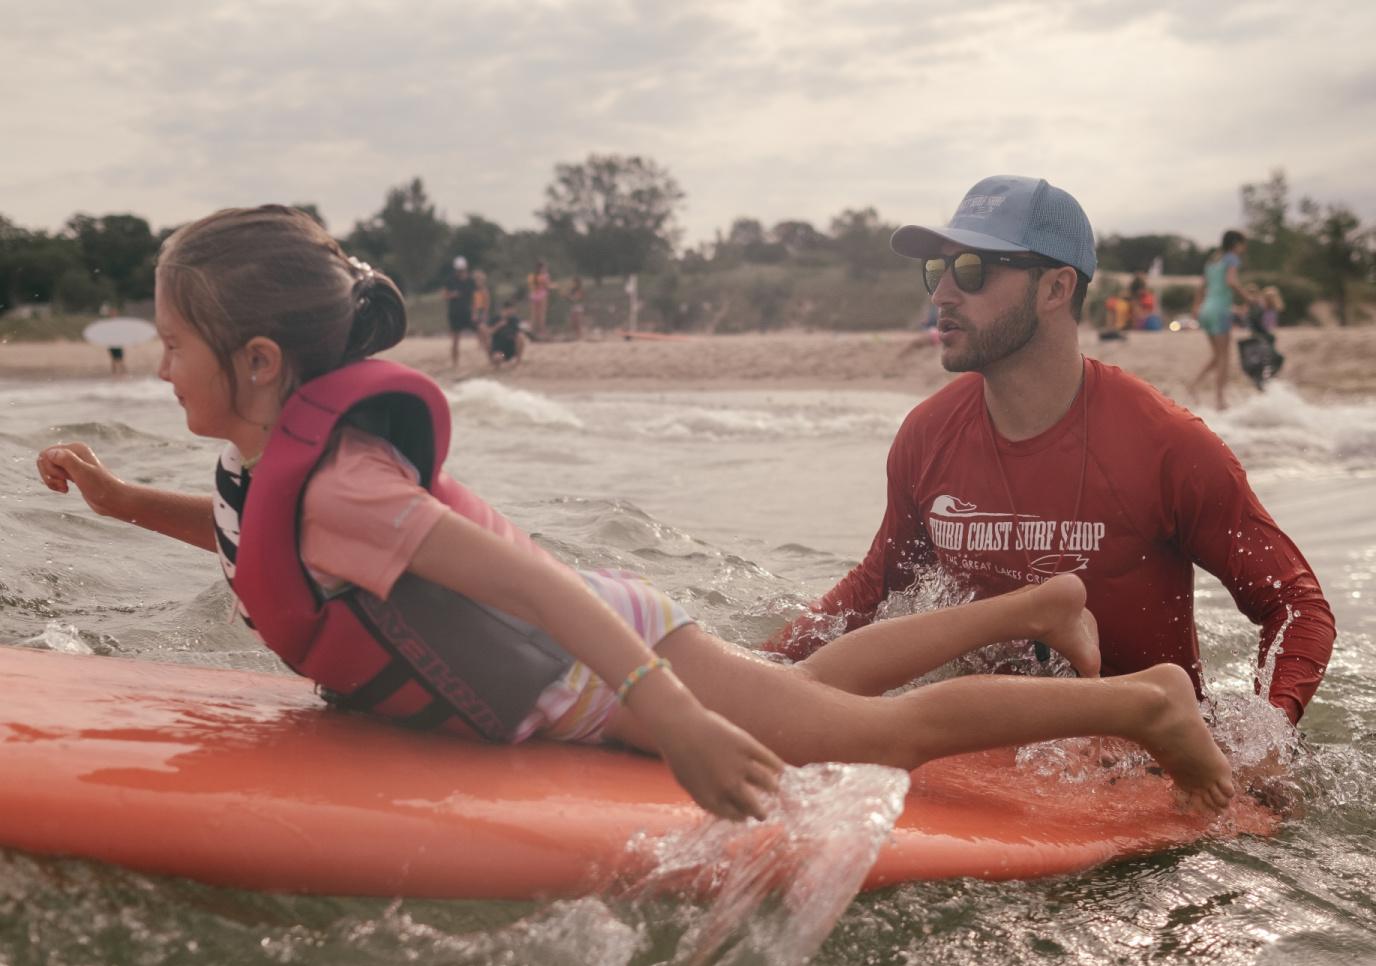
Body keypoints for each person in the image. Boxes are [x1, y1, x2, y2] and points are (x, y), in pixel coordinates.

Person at [35, 205, 1239, 821]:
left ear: (255, 362)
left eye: (171, 344)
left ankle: (1140, 705)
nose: (156, 367)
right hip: (614, 654)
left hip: (603, 665)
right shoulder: (279, 468)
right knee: (813, 690)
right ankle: (1038, 601)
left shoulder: (347, 490)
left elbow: (536, 593)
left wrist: (673, 725)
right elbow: (251, 545)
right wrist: (120, 500)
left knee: (867, 740)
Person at [766, 176, 1334, 732]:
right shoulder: (927, 434)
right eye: (936, 270)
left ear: (1056, 288)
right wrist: (758, 671)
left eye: (972, 270)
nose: (941, 293)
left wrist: (1266, 738)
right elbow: (874, 589)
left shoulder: (1168, 446)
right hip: (986, 743)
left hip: (1131, 762)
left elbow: (1297, 605)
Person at [1188, 230, 1249, 409]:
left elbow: (1201, 287)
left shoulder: (1213, 260)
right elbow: (1231, 281)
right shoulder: (1231, 259)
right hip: (1220, 310)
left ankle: (1194, 385)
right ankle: (1220, 400)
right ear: (1236, 244)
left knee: (1217, 355)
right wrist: (1248, 298)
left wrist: (1195, 309)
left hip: (1206, 310)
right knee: (1224, 357)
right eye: (1243, 244)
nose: (1244, 248)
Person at [442, 256, 478, 371]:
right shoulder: (450, 280)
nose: (460, 272)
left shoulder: (471, 281)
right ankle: (455, 363)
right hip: (455, 314)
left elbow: (474, 298)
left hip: (467, 313)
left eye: (462, 269)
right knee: (455, 340)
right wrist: (453, 295)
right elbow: (444, 295)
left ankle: (492, 358)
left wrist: (474, 312)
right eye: (459, 270)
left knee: (482, 331)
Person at [487, 300, 528, 368]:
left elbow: (523, 330)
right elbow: (489, 333)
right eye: (509, 309)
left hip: (512, 351)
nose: (511, 311)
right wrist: (498, 325)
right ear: (504, 309)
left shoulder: (515, 319)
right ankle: (496, 363)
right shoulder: (495, 319)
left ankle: (518, 360)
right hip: (501, 352)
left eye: (512, 309)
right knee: (498, 357)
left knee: (520, 336)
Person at [526, 259, 552, 338]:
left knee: (534, 315)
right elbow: (547, 286)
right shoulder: (545, 276)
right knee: (542, 315)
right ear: (543, 267)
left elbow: (531, 287)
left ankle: (533, 332)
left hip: (534, 295)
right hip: (542, 295)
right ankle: (542, 332)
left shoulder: (532, 276)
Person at [566, 276, 586, 340]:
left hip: (578, 308)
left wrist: (569, 297)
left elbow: (577, 298)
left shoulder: (580, 289)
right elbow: (571, 298)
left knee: (578, 323)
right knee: (573, 323)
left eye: (574, 282)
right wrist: (567, 297)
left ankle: (580, 336)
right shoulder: (572, 290)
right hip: (573, 307)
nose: (573, 283)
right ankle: (576, 336)